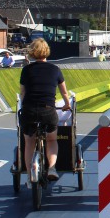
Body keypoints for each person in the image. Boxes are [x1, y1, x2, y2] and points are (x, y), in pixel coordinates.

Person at [19, 38, 71, 185]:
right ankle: (52, 168)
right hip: (48, 111)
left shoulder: (26, 70)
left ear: (32, 52)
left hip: (29, 111)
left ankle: (30, 176)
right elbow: (64, 92)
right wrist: (67, 104)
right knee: (52, 139)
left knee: (29, 142)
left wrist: (24, 107)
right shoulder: (55, 69)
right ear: (46, 52)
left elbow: (22, 93)